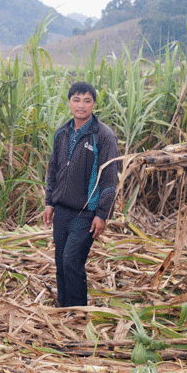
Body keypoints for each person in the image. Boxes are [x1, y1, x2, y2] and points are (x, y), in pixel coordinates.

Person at [42, 81, 119, 308]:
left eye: (87, 100)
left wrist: (103, 214)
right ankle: (63, 309)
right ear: (69, 102)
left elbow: (110, 179)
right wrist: (49, 202)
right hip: (62, 211)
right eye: (76, 100)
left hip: (86, 213)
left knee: (71, 262)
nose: (81, 105)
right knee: (60, 263)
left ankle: (77, 313)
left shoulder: (103, 136)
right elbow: (53, 169)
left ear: (93, 104)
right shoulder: (62, 133)